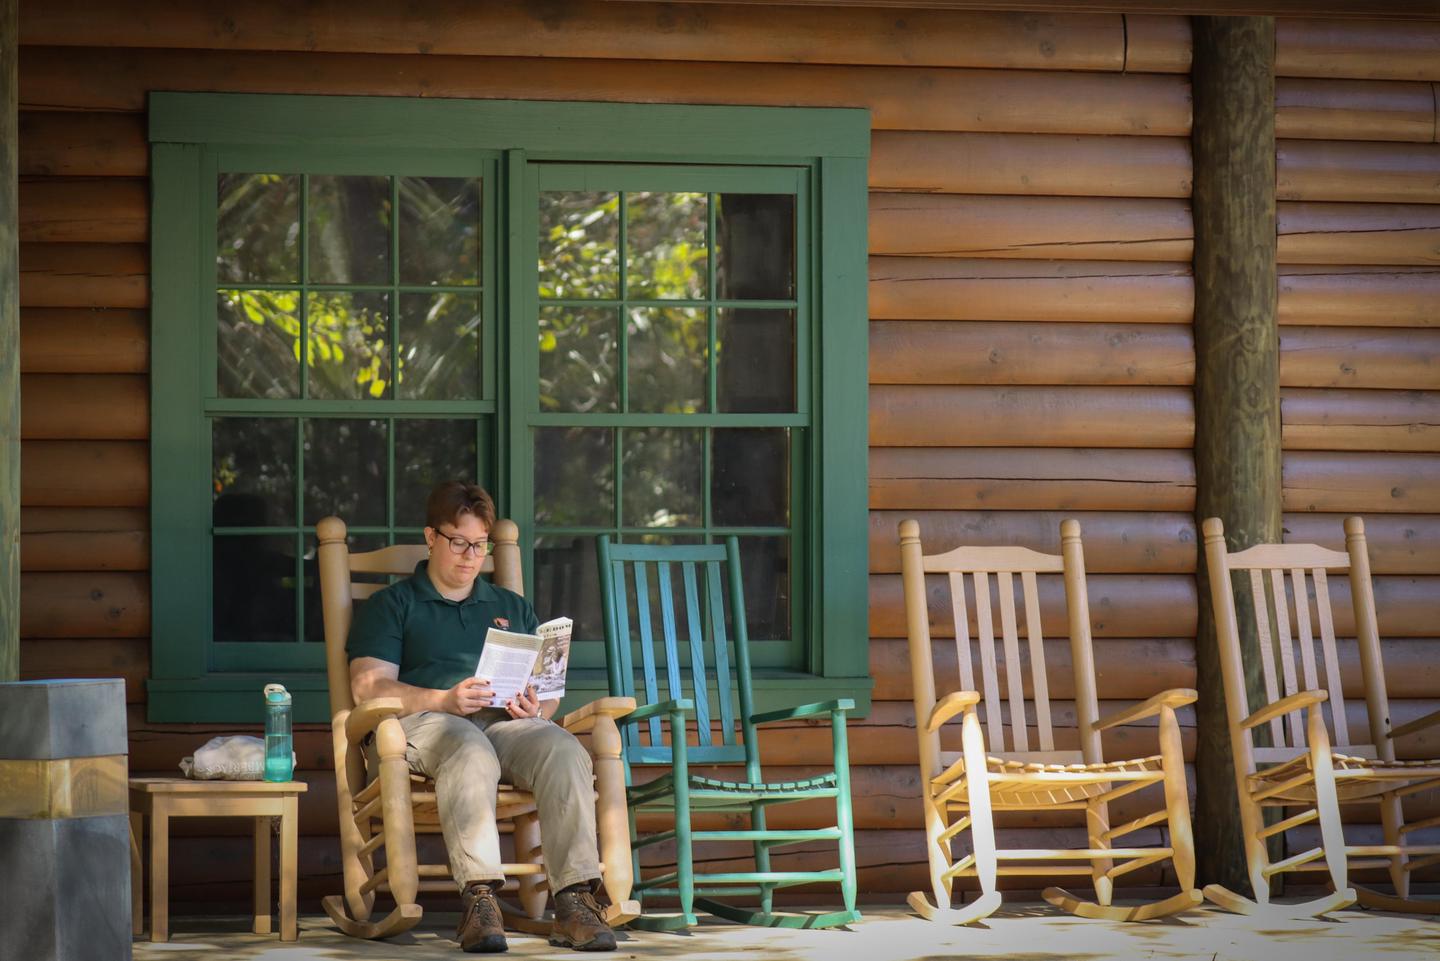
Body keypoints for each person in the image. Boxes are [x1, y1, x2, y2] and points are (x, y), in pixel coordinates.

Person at [346, 481, 616, 953]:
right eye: (459, 542)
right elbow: (368, 686)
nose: (470, 556)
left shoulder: (510, 606)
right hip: (424, 725)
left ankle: (574, 900)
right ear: (431, 537)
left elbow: (546, 694)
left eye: (480, 545)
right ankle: (481, 898)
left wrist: (538, 707)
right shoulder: (393, 604)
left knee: (563, 748)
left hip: (505, 724)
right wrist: (443, 699)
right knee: (469, 749)